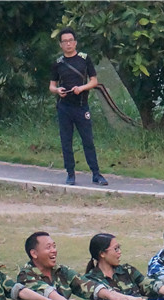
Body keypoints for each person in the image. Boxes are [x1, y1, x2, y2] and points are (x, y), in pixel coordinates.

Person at [49, 27, 108, 186]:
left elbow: (94, 81)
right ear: (60, 45)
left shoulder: (84, 59)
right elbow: (52, 86)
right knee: (66, 141)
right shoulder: (58, 63)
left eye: (70, 41)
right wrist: (57, 90)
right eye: (64, 41)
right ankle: (70, 174)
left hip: (81, 106)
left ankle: (96, 174)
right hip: (64, 107)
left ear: (75, 42)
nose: (68, 44)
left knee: (88, 140)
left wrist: (81, 88)